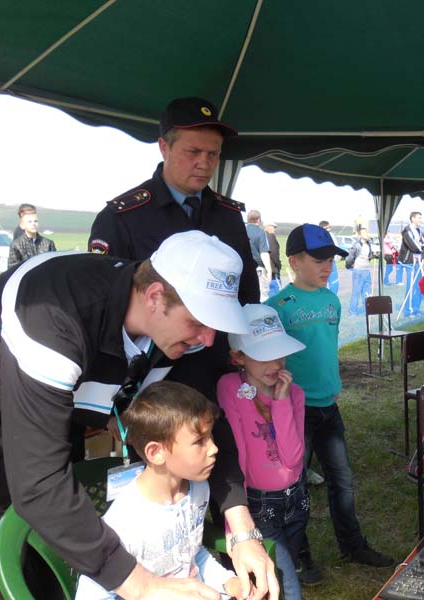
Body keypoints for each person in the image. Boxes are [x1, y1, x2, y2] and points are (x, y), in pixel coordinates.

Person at [0, 231, 278, 600]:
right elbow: (39, 483)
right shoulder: (54, 318)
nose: (208, 339)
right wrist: (143, 586)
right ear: (155, 297)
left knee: (67, 546)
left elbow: (205, 421)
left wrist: (243, 533)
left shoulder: (180, 323)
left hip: (66, 393)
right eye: (198, 323)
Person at [87, 97, 265, 573]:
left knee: (214, 459)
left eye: (213, 154)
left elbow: (246, 296)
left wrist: (245, 355)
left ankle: (219, 554)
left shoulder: (226, 215)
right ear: (163, 147)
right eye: (192, 152)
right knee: (156, 496)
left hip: (209, 369)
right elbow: (110, 311)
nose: (204, 163)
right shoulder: (124, 216)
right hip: (149, 386)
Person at [266, 224, 393, 586]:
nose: (328, 266)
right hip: (295, 412)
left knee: (342, 480)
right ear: (294, 262)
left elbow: (326, 349)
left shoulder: (332, 301)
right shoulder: (276, 309)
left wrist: (331, 386)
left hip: (328, 407)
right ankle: (299, 555)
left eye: (331, 259)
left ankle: (352, 545)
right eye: (319, 259)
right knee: (294, 487)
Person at [75, 381, 243, 600]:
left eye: (210, 436)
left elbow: (191, 555)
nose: (214, 448)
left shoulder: (199, 489)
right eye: (199, 441)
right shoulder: (124, 524)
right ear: (156, 453)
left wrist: (228, 582)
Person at [219, 304, 308, 600]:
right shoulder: (230, 388)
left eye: (279, 353)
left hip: (296, 500)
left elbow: (293, 458)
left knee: (284, 569)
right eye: (263, 355)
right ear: (238, 357)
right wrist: (235, 527)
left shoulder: (294, 393)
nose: (275, 363)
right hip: (259, 506)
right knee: (288, 587)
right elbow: (237, 458)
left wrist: (281, 402)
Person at [398, 211, 424, 317]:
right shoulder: (407, 231)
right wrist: (420, 248)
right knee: (411, 287)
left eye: (421, 218)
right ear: (413, 219)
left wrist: (421, 247)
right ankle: (408, 310)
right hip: (410, 262)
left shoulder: (418, 230)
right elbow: (414, 246)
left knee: (418, 287)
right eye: (419, 218)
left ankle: (415, 308)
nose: (420, 220)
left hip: (418, 261)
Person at [345, 225, 374, 316]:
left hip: (367, 270)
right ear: (360, 235)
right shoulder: (356, 245)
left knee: (367, 292)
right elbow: (349, 258)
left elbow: (369, 256)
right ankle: (353, 312)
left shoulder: (369, 244)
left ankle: (367, 310)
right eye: (364, 233)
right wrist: (350, 265)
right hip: (358, 271)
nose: (366, 234)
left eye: (366, 232)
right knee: (356, 292)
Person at [246, 209, 272, 301]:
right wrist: (269, 270)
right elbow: (264, 253)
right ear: (258, 220)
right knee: (262, 296)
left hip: (243, 267)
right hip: (258, 268)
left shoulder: (241, 230)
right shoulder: (260, 232)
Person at [318, 220, 340, 294]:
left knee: (334, 284)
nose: (329, 229)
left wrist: (337, 257)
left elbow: (336, 248)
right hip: (322, 263)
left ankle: (332, 298)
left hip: (332, 262)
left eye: (329, 227)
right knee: (322, 284)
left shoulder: (332, 236)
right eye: (326, 228)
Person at [265, 221, 283, 297]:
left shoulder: (263, 236)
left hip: (265, 268)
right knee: (276, 291)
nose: (274, 229)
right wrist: (278, 265)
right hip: (273, 268)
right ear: (268, 226)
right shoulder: (271, 236)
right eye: (273, 227)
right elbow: (274, 253)